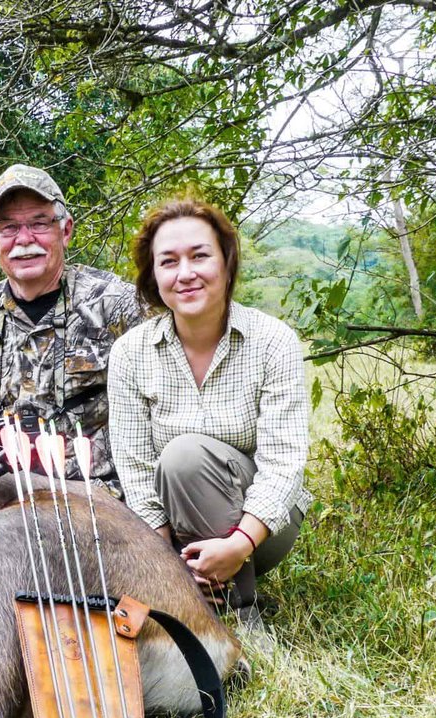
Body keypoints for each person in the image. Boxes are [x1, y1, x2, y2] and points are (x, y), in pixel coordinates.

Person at [107, 198, 311, 624]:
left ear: (227, 262)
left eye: (200, 256)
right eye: (168, 262)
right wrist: (165, 563)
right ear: (153, 275)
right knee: (173, 465)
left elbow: (283, 463)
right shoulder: (130, 353)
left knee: (185, 456)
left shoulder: (273, 341)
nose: (185, 273)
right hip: (175, 532)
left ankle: (239, 610)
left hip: (263, 529)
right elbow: (136, 470)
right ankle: (193, 597)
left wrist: (239, 544)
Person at [0, 164, 142, 486]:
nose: (24, 239)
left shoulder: (118, 305)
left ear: (66, 230)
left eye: (39, 223)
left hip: (103, 495)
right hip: (3, 495)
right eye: (9, 227)